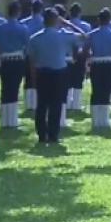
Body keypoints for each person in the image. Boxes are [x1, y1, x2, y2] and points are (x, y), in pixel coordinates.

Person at [26, 9, 76, 145]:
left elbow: (31, 61)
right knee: (56, 105)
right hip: (59, 74)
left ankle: (42, 135)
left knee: (41, 105)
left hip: (42, 74)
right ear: (56, 20)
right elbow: (84, 36)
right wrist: (68, 23)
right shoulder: (64, 36)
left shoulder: (35, 38)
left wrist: (34, 78)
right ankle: (53, 135)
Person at [0, 3, 30, 128]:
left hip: (4, 60)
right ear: (18, 12)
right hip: (17, 60)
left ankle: (4, 120)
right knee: (15, 89)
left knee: (5, 89)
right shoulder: (23, 28)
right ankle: (13, 120)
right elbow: (27, 46)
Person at [66, 3, 91, 113]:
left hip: (67, 55)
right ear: (80, 13)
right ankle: (76, 104)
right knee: (78, 79)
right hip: (81, 54)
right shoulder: (86, 26)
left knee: (67, 80)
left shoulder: (65, 25)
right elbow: (87, 42)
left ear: (69, 13)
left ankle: (67, 102)